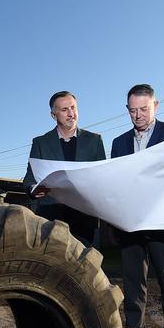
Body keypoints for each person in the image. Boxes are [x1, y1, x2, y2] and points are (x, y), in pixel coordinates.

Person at [111, 84, 164, 328]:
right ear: (127, 110)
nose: (138, 115)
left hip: (163, 222)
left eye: (144, 109)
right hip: (130, 225)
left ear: (156, 105)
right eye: (133, 111)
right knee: (134, 290)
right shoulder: (119, 142)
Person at [23, 90, 106, 246]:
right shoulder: (40, 142)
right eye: (64, 109)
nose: (71, 113)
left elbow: (102, 176)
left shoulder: (94, 140)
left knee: (86, 268)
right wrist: (33, 189)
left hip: (85, 217)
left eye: (73, 108)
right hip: (50, 218)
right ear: (53, 115)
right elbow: (29, 178)